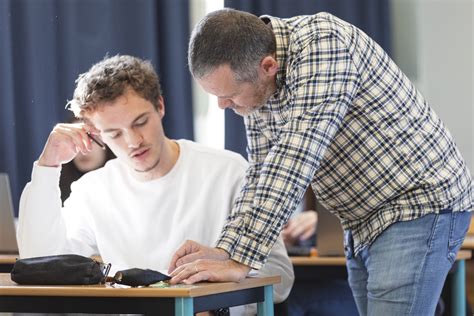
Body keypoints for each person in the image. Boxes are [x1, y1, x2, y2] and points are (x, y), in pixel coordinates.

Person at [168, 8, 473, 316]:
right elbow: (261, 172)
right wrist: (225, 251)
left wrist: (240, 262)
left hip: (417, 202)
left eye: (229, 96)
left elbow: (292, 161)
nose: (222, 106)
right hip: (363, 220)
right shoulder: (257, 84)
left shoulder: (323, 44)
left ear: (268, 66)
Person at [17, 55, 294, 315]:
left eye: (140, 122)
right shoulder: (94, 190)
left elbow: (280, 277)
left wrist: (218, 302)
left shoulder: (229, 172)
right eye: (114, 133)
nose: (133, 141)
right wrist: (47, 167)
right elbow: (39, 265)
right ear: (95, 135)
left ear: (160, 106)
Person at [59, 117, 115, 202]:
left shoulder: (122, 186)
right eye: (76, 141)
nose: (84, 150)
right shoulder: (55, 188)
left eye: (92, 140)